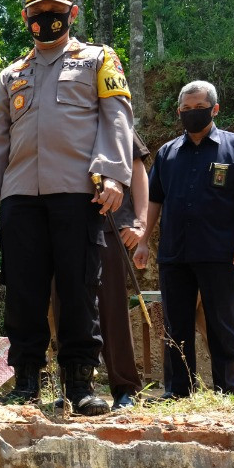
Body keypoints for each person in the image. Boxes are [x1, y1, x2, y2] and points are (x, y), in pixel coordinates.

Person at [0, 0, 133, 416]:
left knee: (80, 288)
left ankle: (80, 382)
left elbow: (116, 119)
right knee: (23, 290)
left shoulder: (99, 60)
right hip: (21, 195)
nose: (47, 20)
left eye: (55, 13)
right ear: (26, 17)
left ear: (72, 14)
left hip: (78, 193)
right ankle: (26, 379)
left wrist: (113, 174)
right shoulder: (11, 75)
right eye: (38, 14)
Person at [133, 81, 234, 399]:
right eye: (186, 108)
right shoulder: (168, 153)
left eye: (199, 107)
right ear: (179, 111)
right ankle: (178, 391)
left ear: (215, 109)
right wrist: (142, 241)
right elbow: (154, 200)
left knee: (223, 323)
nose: (193, 113)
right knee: (175, 326)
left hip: (220, 251)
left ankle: (227, 389)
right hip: (174, 253)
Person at [98, 132, 149, 409]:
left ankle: (125, 388)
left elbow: (138, 168)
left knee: (113, 310)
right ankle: (76, 385)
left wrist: (140, 221)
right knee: (68, 307)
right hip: (66, 226)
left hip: (111, 227)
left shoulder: (114, 120)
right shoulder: (59, 115)